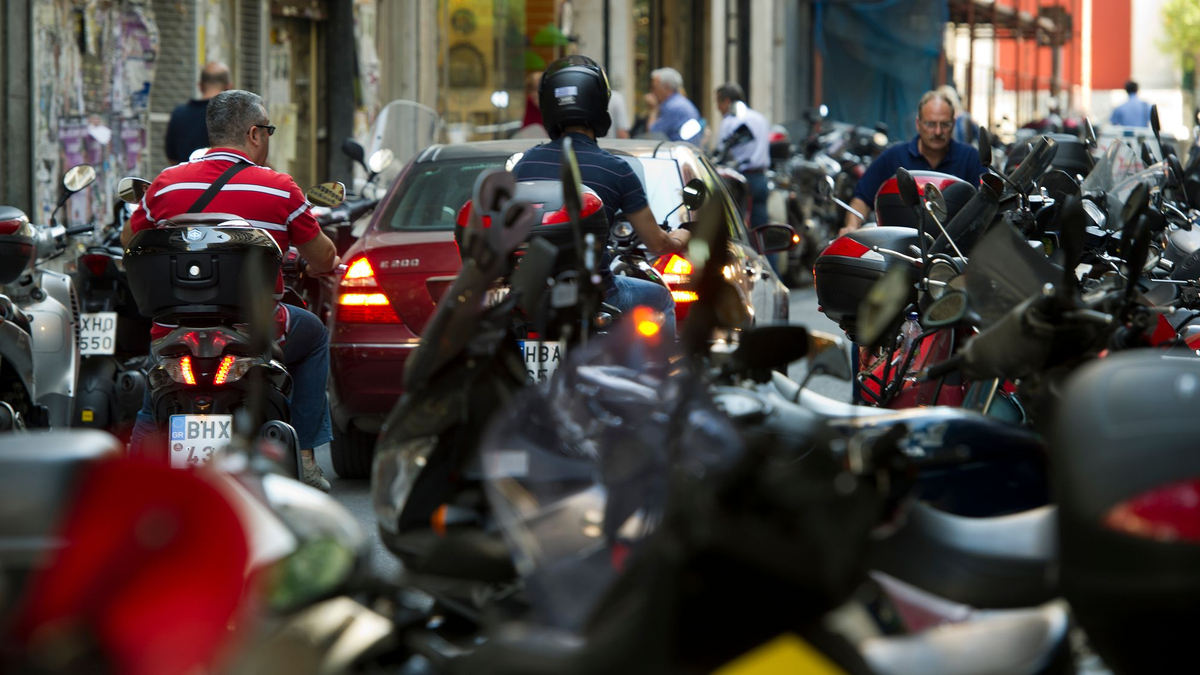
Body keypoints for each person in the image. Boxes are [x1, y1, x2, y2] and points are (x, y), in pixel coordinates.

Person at [123, 90, 341, 492]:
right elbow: (325, 259)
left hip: (173, 333)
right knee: (313, 337)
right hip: (257, 331)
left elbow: (130, 243)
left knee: (153, 392)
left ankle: (133, 480)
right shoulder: (279, 188)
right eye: (268, 131)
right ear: (255, 134)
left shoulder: (165, 185)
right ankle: (307, 455)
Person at [512, 55, 690, 340]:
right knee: (660, 298)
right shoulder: (616, 168)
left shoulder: (526, 162)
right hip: (595, 296)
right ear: (599, 106)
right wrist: (683, 236)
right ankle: (658, 382)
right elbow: (656, 242)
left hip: (532, 294)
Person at [841, 89, 985, 234]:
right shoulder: (894, 156)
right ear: (918, 123)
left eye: (944, 124)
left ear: (953, 124)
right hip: (901, 250)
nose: (937, 132)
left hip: (955, 250)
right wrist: (852, 227)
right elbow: (862, 198)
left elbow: (985, 206)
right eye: (930, 124)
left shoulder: (970, 158)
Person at [715, 83, 771, 228]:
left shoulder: (729, 122)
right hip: (760, 178)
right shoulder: (760, 118)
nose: (717, 108)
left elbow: (721, 153)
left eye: (718, 102)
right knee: (760, 228)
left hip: (740, 181)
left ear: (727, 101)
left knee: (737, 228)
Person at [164, 62, 233, 165]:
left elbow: (172, 158)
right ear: (229, 87)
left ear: (200, 86)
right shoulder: (233, 115)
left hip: (185, 178)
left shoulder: (179, 114)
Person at [644, 67, 703, 143]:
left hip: (679, 152)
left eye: (655, 88)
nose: (652, 92)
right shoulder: (681, 102)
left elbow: (652, 134)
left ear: (666, 87)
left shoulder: (672, 107)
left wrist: (653, 110)